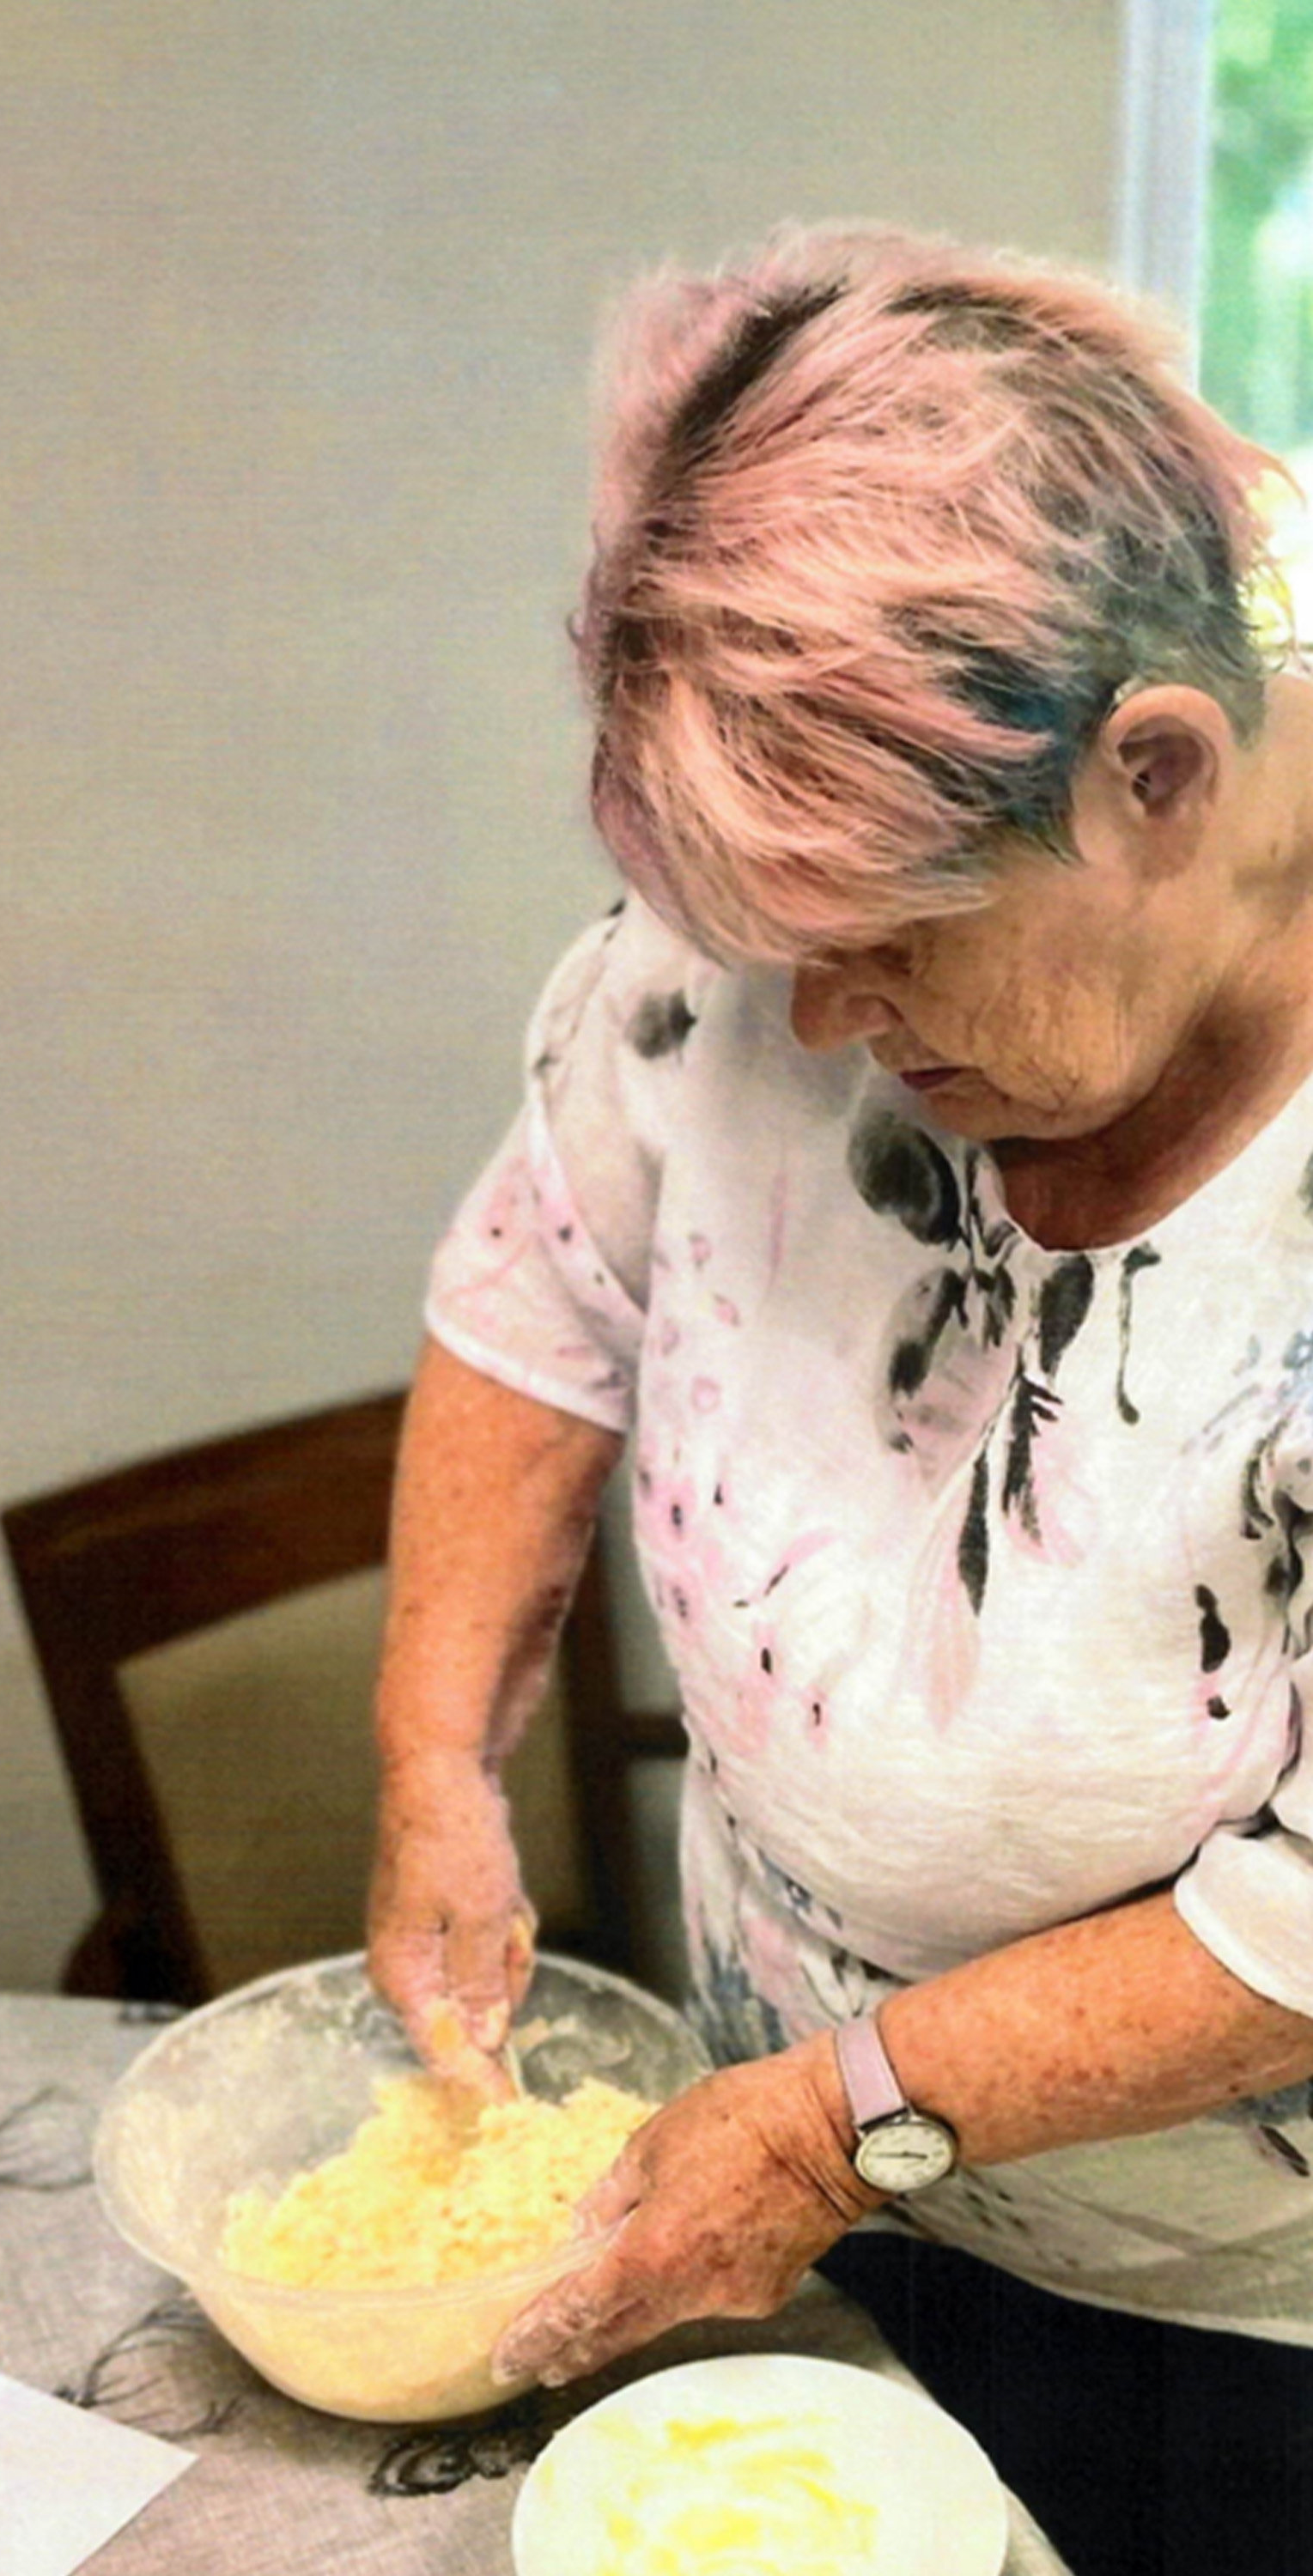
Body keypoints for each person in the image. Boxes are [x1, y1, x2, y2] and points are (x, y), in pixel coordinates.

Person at [366, 227, 1312, 2569]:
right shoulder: (773, 947)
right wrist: (430, 1762)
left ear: (1158, 780)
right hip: (797, 2174)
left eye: (883, 950)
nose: (807, 1029)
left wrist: (831, 2126)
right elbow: (543, 1295)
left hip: (1238, 2321)